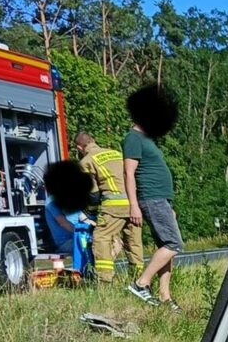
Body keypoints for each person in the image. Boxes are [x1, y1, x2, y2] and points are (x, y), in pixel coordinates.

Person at [123, 84, 184, 310]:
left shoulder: (147, 140)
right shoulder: (133, 138)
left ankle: (165, 296)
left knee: (167, 247)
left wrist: (169, 204)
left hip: (161, 200)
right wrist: (133, 206)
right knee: (174, 243)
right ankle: (141, 283)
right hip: (151, 198)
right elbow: (129, 173)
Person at [76, 130, 143, 284]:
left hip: (113, 206)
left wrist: (90, 212)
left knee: (101, 238)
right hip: (134, 205)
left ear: (80, 148)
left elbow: (93, 194)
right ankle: (139, 281)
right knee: (133, 242)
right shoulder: (115, 153)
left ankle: (105, 280)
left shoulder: (86, 162)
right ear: (93, 140)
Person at [43, 160, 96, 276]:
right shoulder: (51, 202)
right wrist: (81, 231)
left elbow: (83, 218)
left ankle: (94, 273)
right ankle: (87, 275)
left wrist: (97, 227)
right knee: (92, 244)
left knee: (105, 240)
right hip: (66, 241)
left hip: (78, 236)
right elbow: (63, 222)